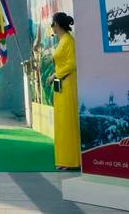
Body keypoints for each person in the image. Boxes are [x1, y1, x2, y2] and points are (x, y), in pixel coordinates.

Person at [45, 12, 80, 170]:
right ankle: (64, 158)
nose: (51, 26)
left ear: (57, 24)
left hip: (67, 83)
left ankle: (71, 160)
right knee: (61, 121)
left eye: (52, 23)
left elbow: (72, 64)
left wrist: (54, 75)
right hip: (60, 84)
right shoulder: (61, 41)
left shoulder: (68, 40)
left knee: (67, 121)